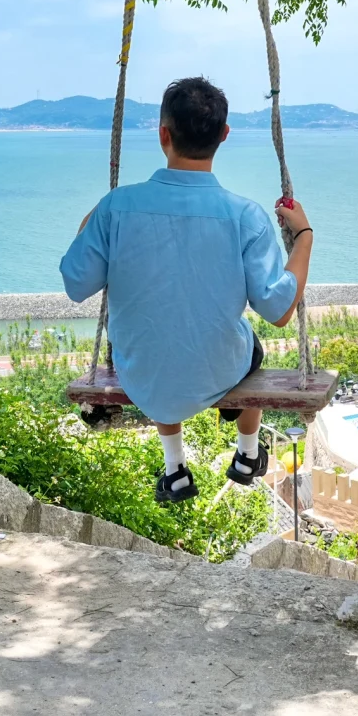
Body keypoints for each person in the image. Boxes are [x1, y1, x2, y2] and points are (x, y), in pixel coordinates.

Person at [59, 76, 314, 503]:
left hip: (140, 370)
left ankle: (174, 469)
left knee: (159, 331)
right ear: (224, 135)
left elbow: (76, 284)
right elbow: (279, 310)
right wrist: (303, 236)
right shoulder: (245, 216)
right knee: (250, 348)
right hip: (218, 367)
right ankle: (247, 453)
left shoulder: (116, 208)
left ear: (163, 134)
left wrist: (93, 221)